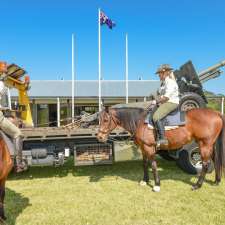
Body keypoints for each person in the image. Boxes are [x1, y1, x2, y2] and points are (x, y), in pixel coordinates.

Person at [0, 61, 27, 173]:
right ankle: (19, 164)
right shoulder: (1, 84)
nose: (6, 67)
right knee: (18, 133)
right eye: (4, 66)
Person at [152, 64, 179, 148]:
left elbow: (166, 97)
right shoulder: (163, 83)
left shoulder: (170, 82)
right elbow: (159, 94)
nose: (158, 75)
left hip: (171, 102)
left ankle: (163, 139)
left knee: (156, 116)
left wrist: (156, 101)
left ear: (164, 73)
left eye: (159, 73)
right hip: (164, 102)